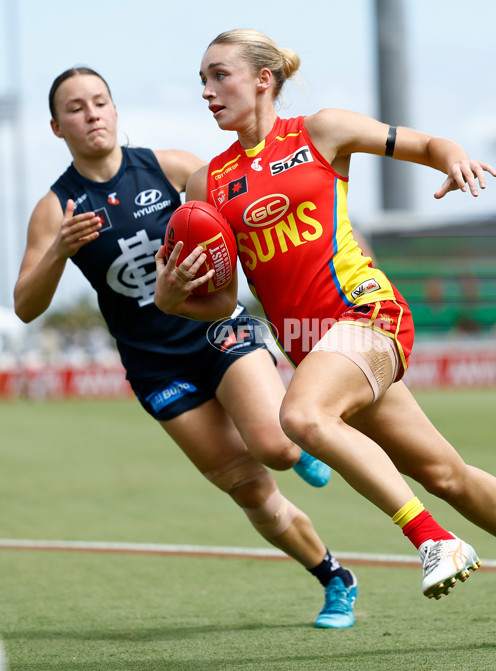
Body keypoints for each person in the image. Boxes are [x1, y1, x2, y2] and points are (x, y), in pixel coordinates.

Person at [154, 30, 496, 641]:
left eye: (218, 75)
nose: (206, 90)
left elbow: (426, 142)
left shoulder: (322, 130)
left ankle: (433, 540)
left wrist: (453, 158)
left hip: (368, 314)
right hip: (315, 344)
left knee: (302, 417)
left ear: (262, 78)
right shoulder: (208, 185)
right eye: (202, 79)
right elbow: (224, 301)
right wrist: (174, 299)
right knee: (445, 474)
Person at [13, 66, 360, 629]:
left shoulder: (168, 166)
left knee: (273, 446)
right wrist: (57, 251)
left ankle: (300, 437)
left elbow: (244, 208)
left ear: (116, 110)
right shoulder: (57, 208)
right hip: (155, 366)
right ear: (57, 127)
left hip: (216, 329)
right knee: (251, 492)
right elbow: (26, 305)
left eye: (100, 101)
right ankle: (335, 578)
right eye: (76, 108)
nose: (92, 114)